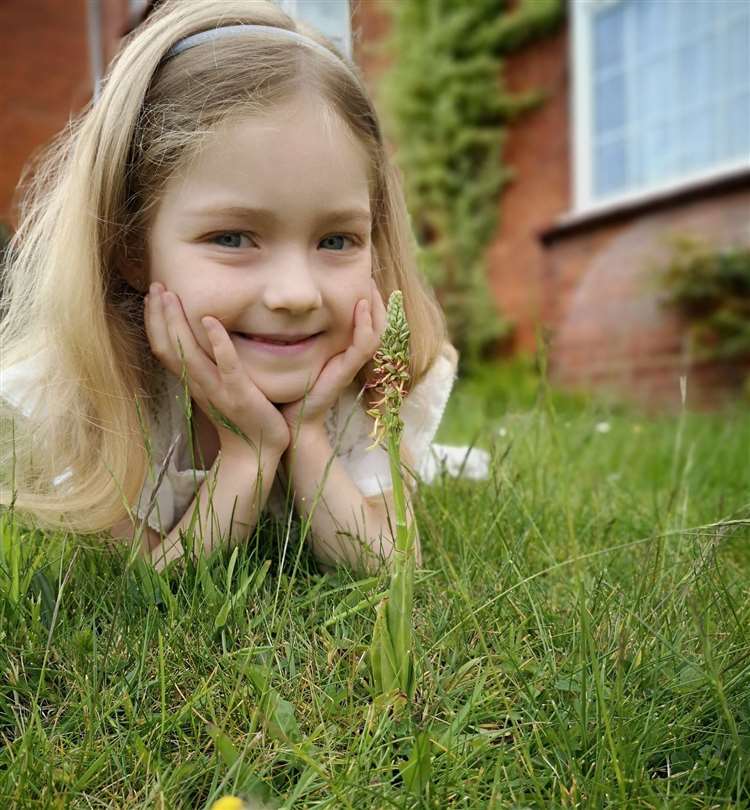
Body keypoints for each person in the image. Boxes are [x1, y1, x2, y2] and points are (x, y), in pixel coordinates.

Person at [0, 0, 463, 575]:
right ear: (131, 250)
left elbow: (391, 567)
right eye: (234, 238)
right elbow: (147, 584)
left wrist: (308, 434)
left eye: (337, 241)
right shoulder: (99, 395)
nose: (295, 295)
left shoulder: (366, 380)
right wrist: (249, 454)